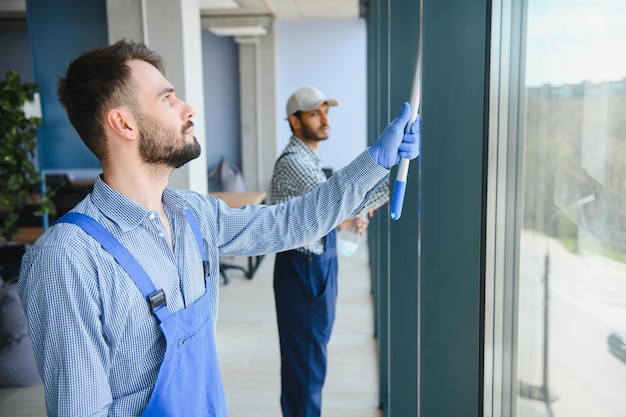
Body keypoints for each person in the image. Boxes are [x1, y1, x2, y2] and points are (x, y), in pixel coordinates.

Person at [17, 39, 420, 417]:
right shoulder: (68, 259)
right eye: (167, 98)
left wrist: (375, 162)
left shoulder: (194, 214)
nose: (188, 108)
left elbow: (290, 222)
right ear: (123, 123)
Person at [267, 86, 391, 417]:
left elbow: (330, 214)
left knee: (312, 359)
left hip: (317, 265)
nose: (325, 119)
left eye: (326, 111)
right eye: (314, 113)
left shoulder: (311, 159)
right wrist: (391, 177)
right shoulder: (294, 163)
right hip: (302, 270)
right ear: (294, 122)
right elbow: (338, 204)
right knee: (305, 367)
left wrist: (353, 217)